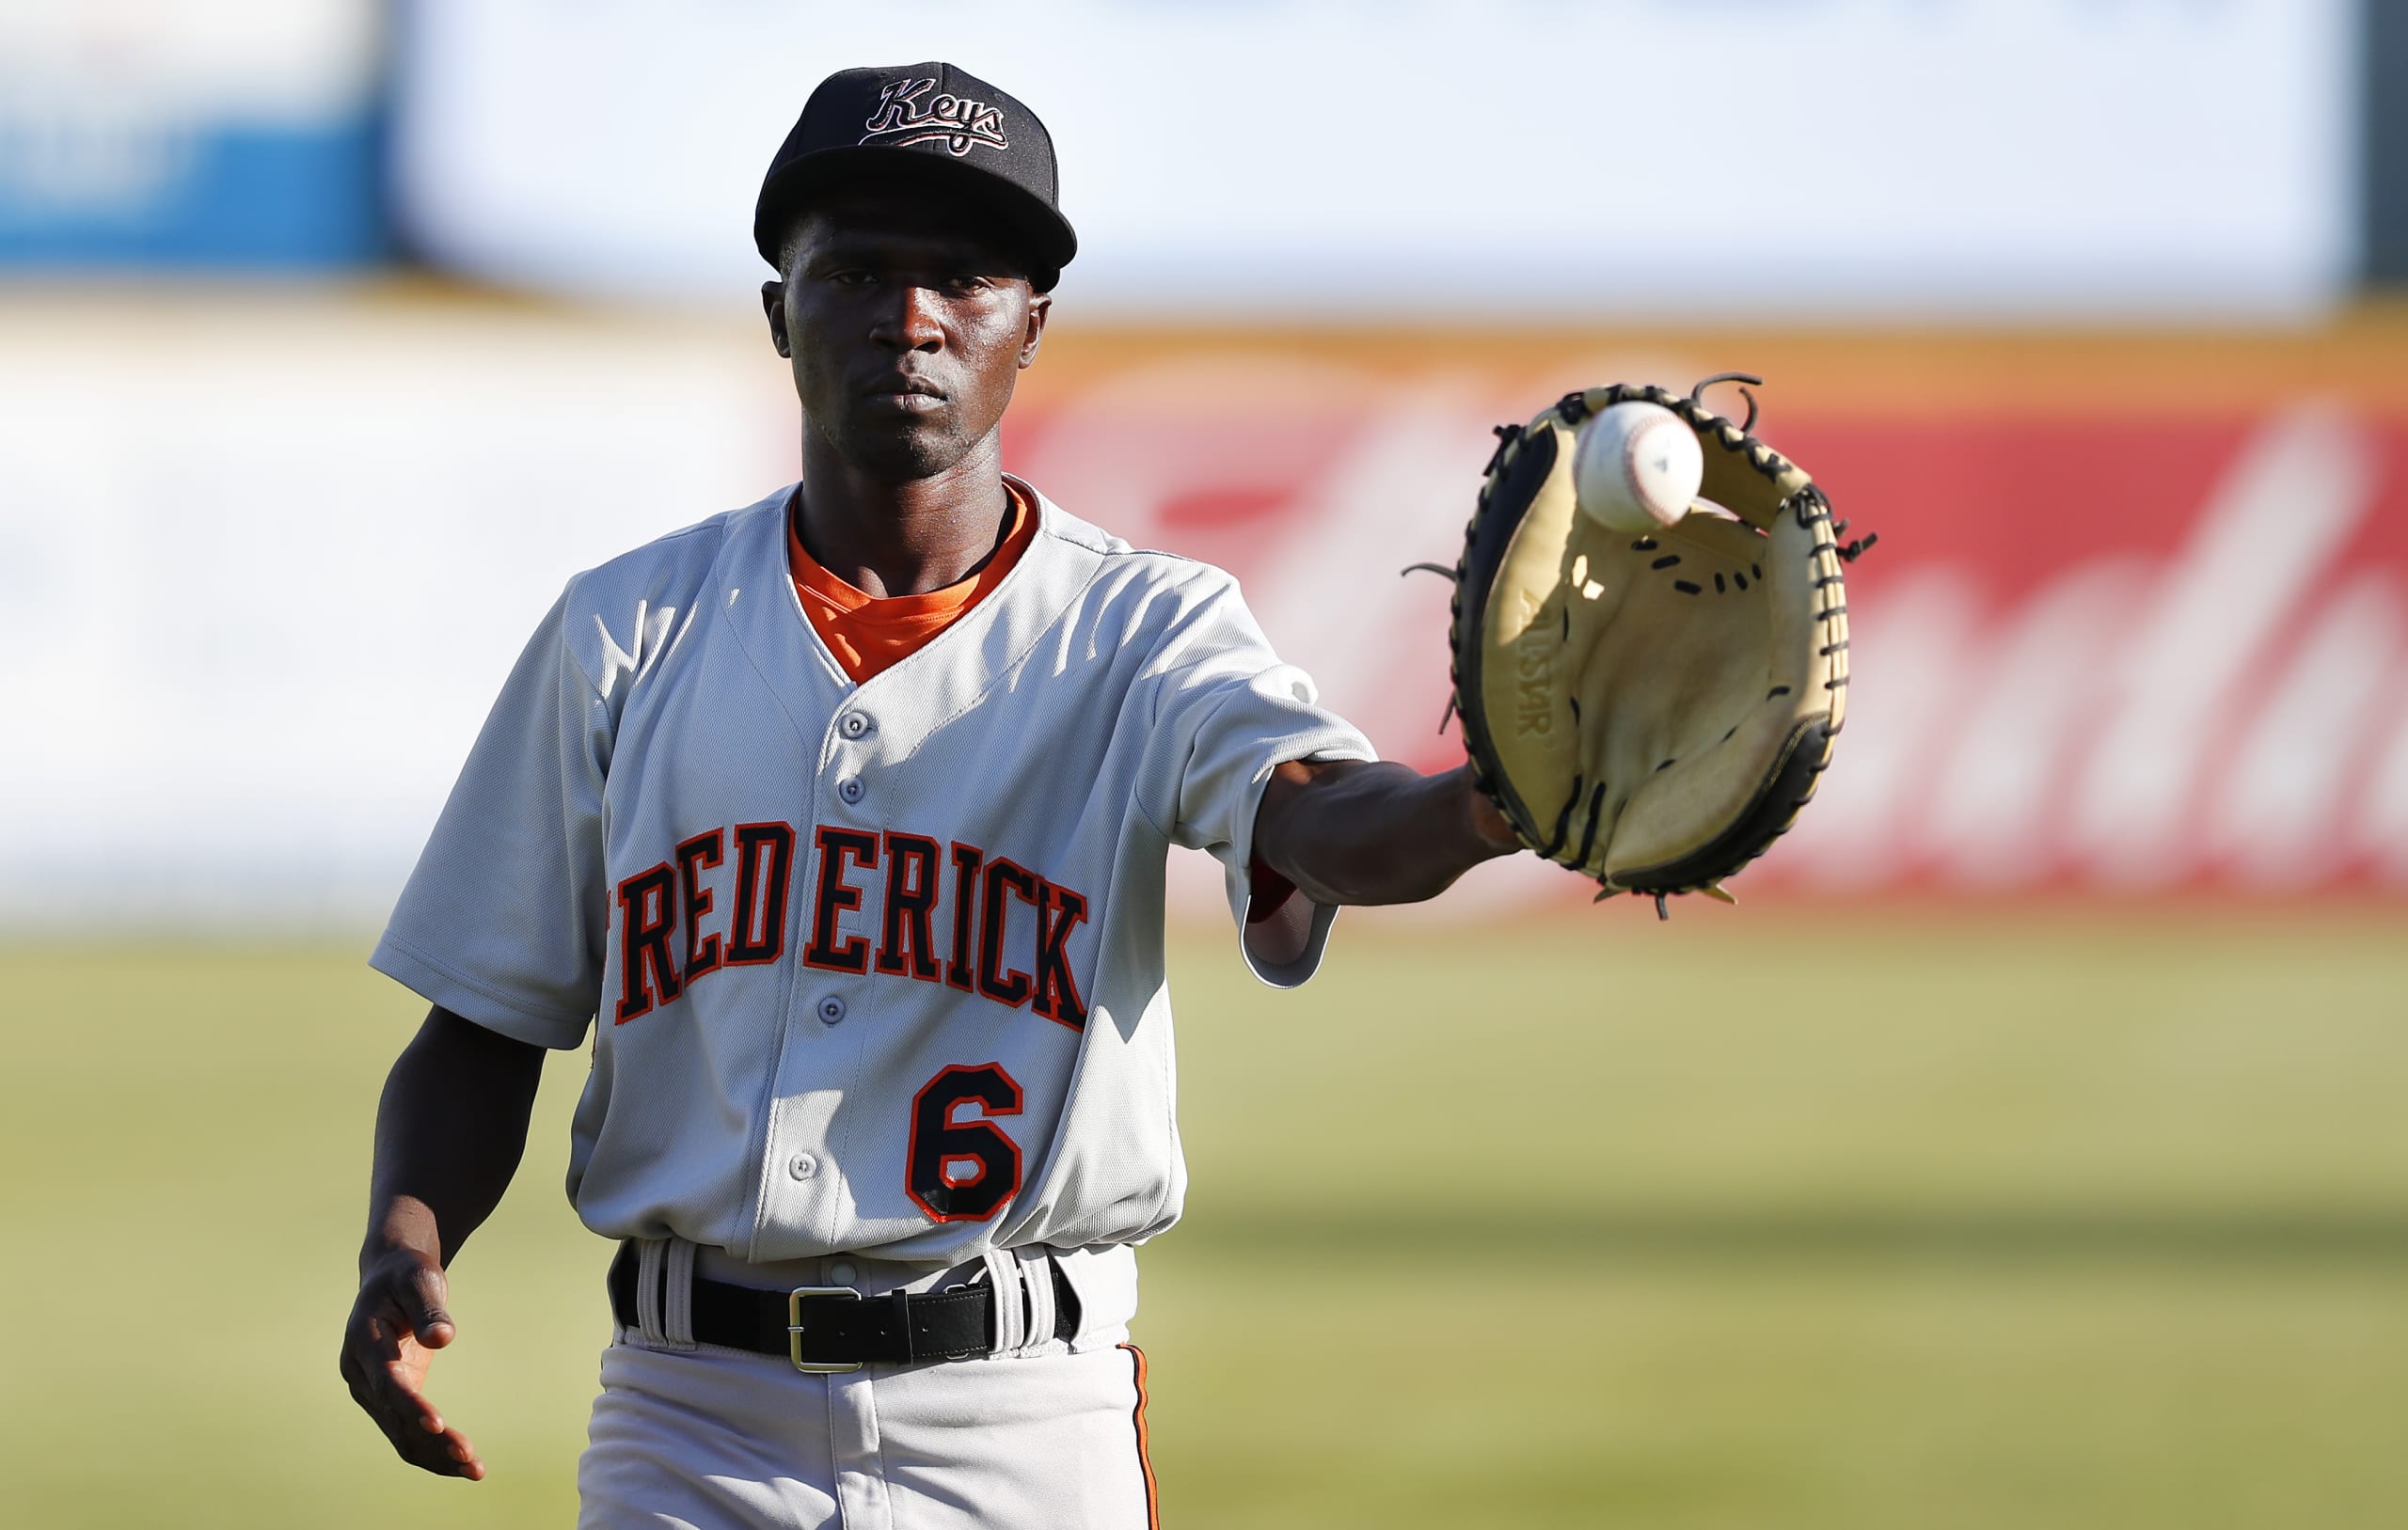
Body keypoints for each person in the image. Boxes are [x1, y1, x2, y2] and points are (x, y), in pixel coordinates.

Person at [340, 61, 1518, 1529]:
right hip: (690, 1415)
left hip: (1022, 1413)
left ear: (1032, 323)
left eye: (962, 276)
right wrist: (406, 1236)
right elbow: (486, 1016)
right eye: (856, 273)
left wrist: (1488, 806)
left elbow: (1324, 820)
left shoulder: (1145, 630)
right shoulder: (626, 632)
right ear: (780, 313)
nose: (910, 318)